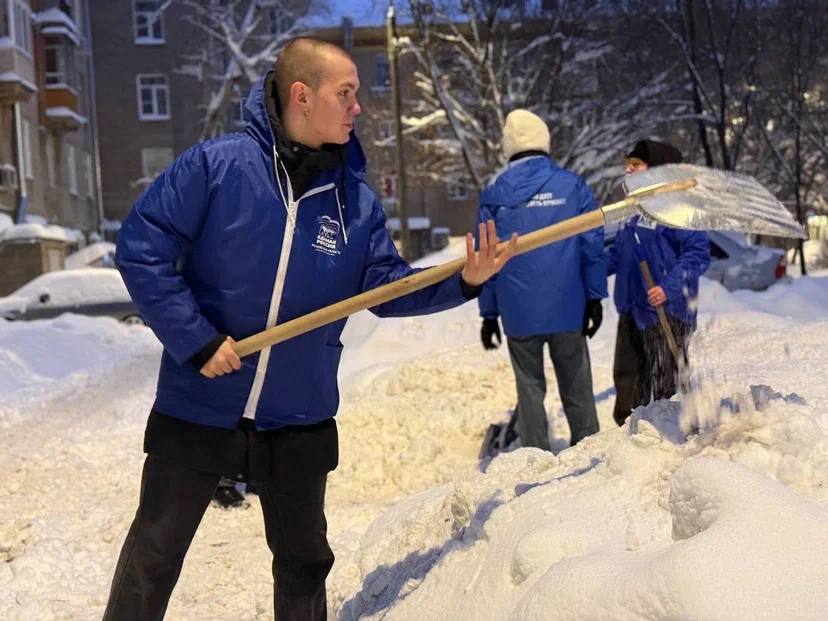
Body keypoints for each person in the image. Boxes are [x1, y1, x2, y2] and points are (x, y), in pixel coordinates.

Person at [104, 37, 515, 621]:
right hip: (201, 399)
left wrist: (465, 280)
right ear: (302, 95)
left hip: (299, 411)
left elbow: (387, 289)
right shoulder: (217, 167)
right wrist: (196, 340)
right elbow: (141, 249)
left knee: (303, 565)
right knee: (154, 555)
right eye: (345, 93)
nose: (357, 107)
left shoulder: (355, 201)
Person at [477, 109, 607, 450]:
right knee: (577, 384)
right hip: (568, 305)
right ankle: (590, 454)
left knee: (529, 388)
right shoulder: (571, 186)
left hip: (519, 311)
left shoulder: (494, 194)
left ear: (509, 147)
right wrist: (595, 296)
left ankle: (534, 456)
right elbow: (592, 243)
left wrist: (488, 314)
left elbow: (483, 257)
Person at [607, 139, 711, 426]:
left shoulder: (680, 208)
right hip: (633, 310)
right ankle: (628, 436)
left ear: (658, 169)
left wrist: (668, 287)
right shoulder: (634, 209)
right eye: (627, 164)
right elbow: (618, 255)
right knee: (627, 386)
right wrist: (584, 270)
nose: (628, 169)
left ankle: (672, 439)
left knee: (664, 389)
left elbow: (697, 255)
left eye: (636, 164)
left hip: (667, 313)